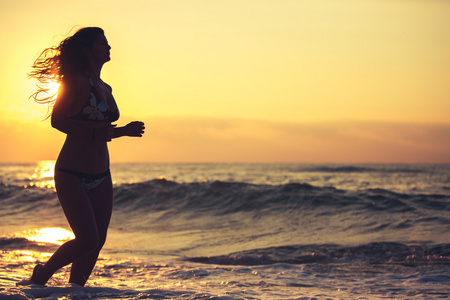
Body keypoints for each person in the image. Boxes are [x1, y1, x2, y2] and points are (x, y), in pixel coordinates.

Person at [18, 27, 145, 287]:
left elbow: (103, 132)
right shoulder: (76, 81)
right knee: (87, 239)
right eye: (103, 43)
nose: (109, 47)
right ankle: (42, 275)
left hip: (101, 173)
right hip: (71, 172)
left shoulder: (105, 87)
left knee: (98, 240)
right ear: (87, 50)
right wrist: (119, 131)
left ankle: (76, 290)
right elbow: (58, 121)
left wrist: (123, 132)